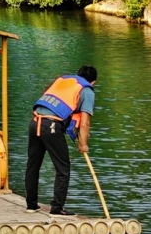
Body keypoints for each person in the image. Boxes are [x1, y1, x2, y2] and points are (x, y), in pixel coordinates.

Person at [25, 64, 98, 214]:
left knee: (33, 165)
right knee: (63, 168)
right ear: (93, 82)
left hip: (35, 122)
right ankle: (57, 208)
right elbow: (84, 122)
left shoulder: (64, 81)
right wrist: (83, 145)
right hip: (51, 125)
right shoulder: (87, 90)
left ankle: (31, 205)